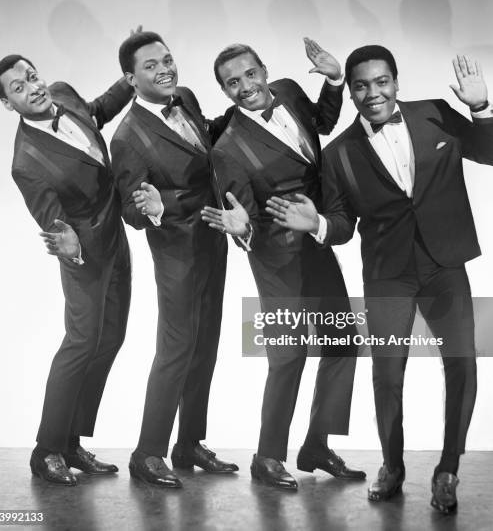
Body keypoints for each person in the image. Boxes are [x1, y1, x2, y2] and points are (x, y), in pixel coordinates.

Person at [266, 46, 493, 512]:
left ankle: (448, 468)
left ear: (395, 81)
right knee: (387, 373)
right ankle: (392, 465)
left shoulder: (436, 115)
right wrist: (318, 226)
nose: (374, 93)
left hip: (445, 262)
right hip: (388, 274)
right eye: (362, 85)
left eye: (381, 81)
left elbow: (490, 153)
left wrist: (481, 108)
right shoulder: (339, 153)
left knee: (462, 364)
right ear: (350, 91)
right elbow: (343, 224)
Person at [201, 40, 363, 490]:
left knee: (343, 344)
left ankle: (316, 445)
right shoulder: (228, 149)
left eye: (250, 75)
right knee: (288, 356)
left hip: (317, 240)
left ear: (265, 71)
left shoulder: (290, 91)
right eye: (232, 83)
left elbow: (324, 123)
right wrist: (240, 229)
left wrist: (335, 80)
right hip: (276, 260)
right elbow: (245, 218)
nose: (245, 87)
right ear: (225, 90)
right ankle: (267, 457)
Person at [0, 53, 133, 486]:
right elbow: (52, 220)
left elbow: (96, 113)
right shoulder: (26, 161)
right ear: (8, 104)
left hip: (116, 237)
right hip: (83, 255)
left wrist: (128, 81)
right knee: (80, 344)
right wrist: (67, 243)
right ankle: (46, 449)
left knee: (110, 339)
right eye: (18, 87)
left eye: (31, 77)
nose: (32, 87)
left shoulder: (64, 94)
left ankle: (72, 442)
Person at [110, 31, 237, 489]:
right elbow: (129, 209)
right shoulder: (126, 137)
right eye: (150, 65)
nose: (165, 69)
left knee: (206, 346)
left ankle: (189, 444)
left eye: (167, 59)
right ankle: (147, 453)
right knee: (176, 350)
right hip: (176, 254)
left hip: (214, 241)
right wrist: (155, 207)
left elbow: (204, 148)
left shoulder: (185, 97)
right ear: (130, 78)